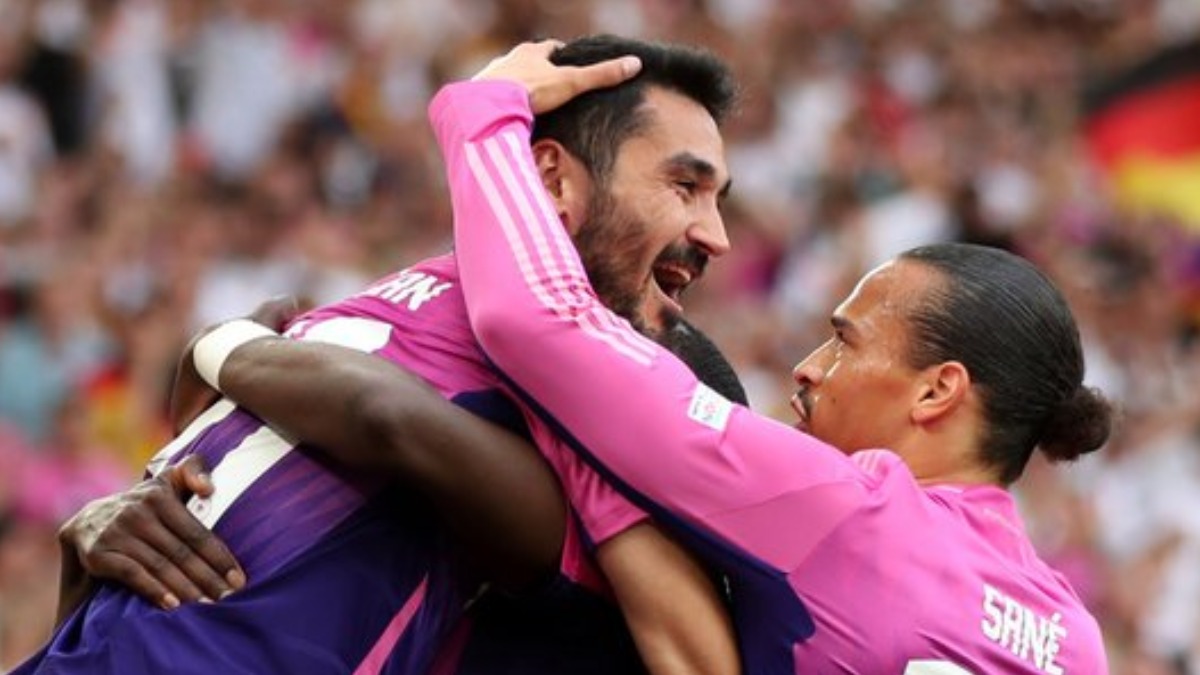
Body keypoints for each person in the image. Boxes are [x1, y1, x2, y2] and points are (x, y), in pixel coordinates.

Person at [16, 36, 741, 675]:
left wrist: (216, 345)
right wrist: (91, 546)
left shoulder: (581, 382)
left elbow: (383, 415)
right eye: (685, 186)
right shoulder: (424, 300)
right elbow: (207, 450)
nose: (716, 235)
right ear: (551, 179)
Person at [424, 41, 1115, 673]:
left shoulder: (847, 513)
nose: (808, 367)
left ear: (937, 391)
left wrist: (481, 111)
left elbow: (537, 323)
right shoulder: (1078, 639)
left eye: (845, 341)